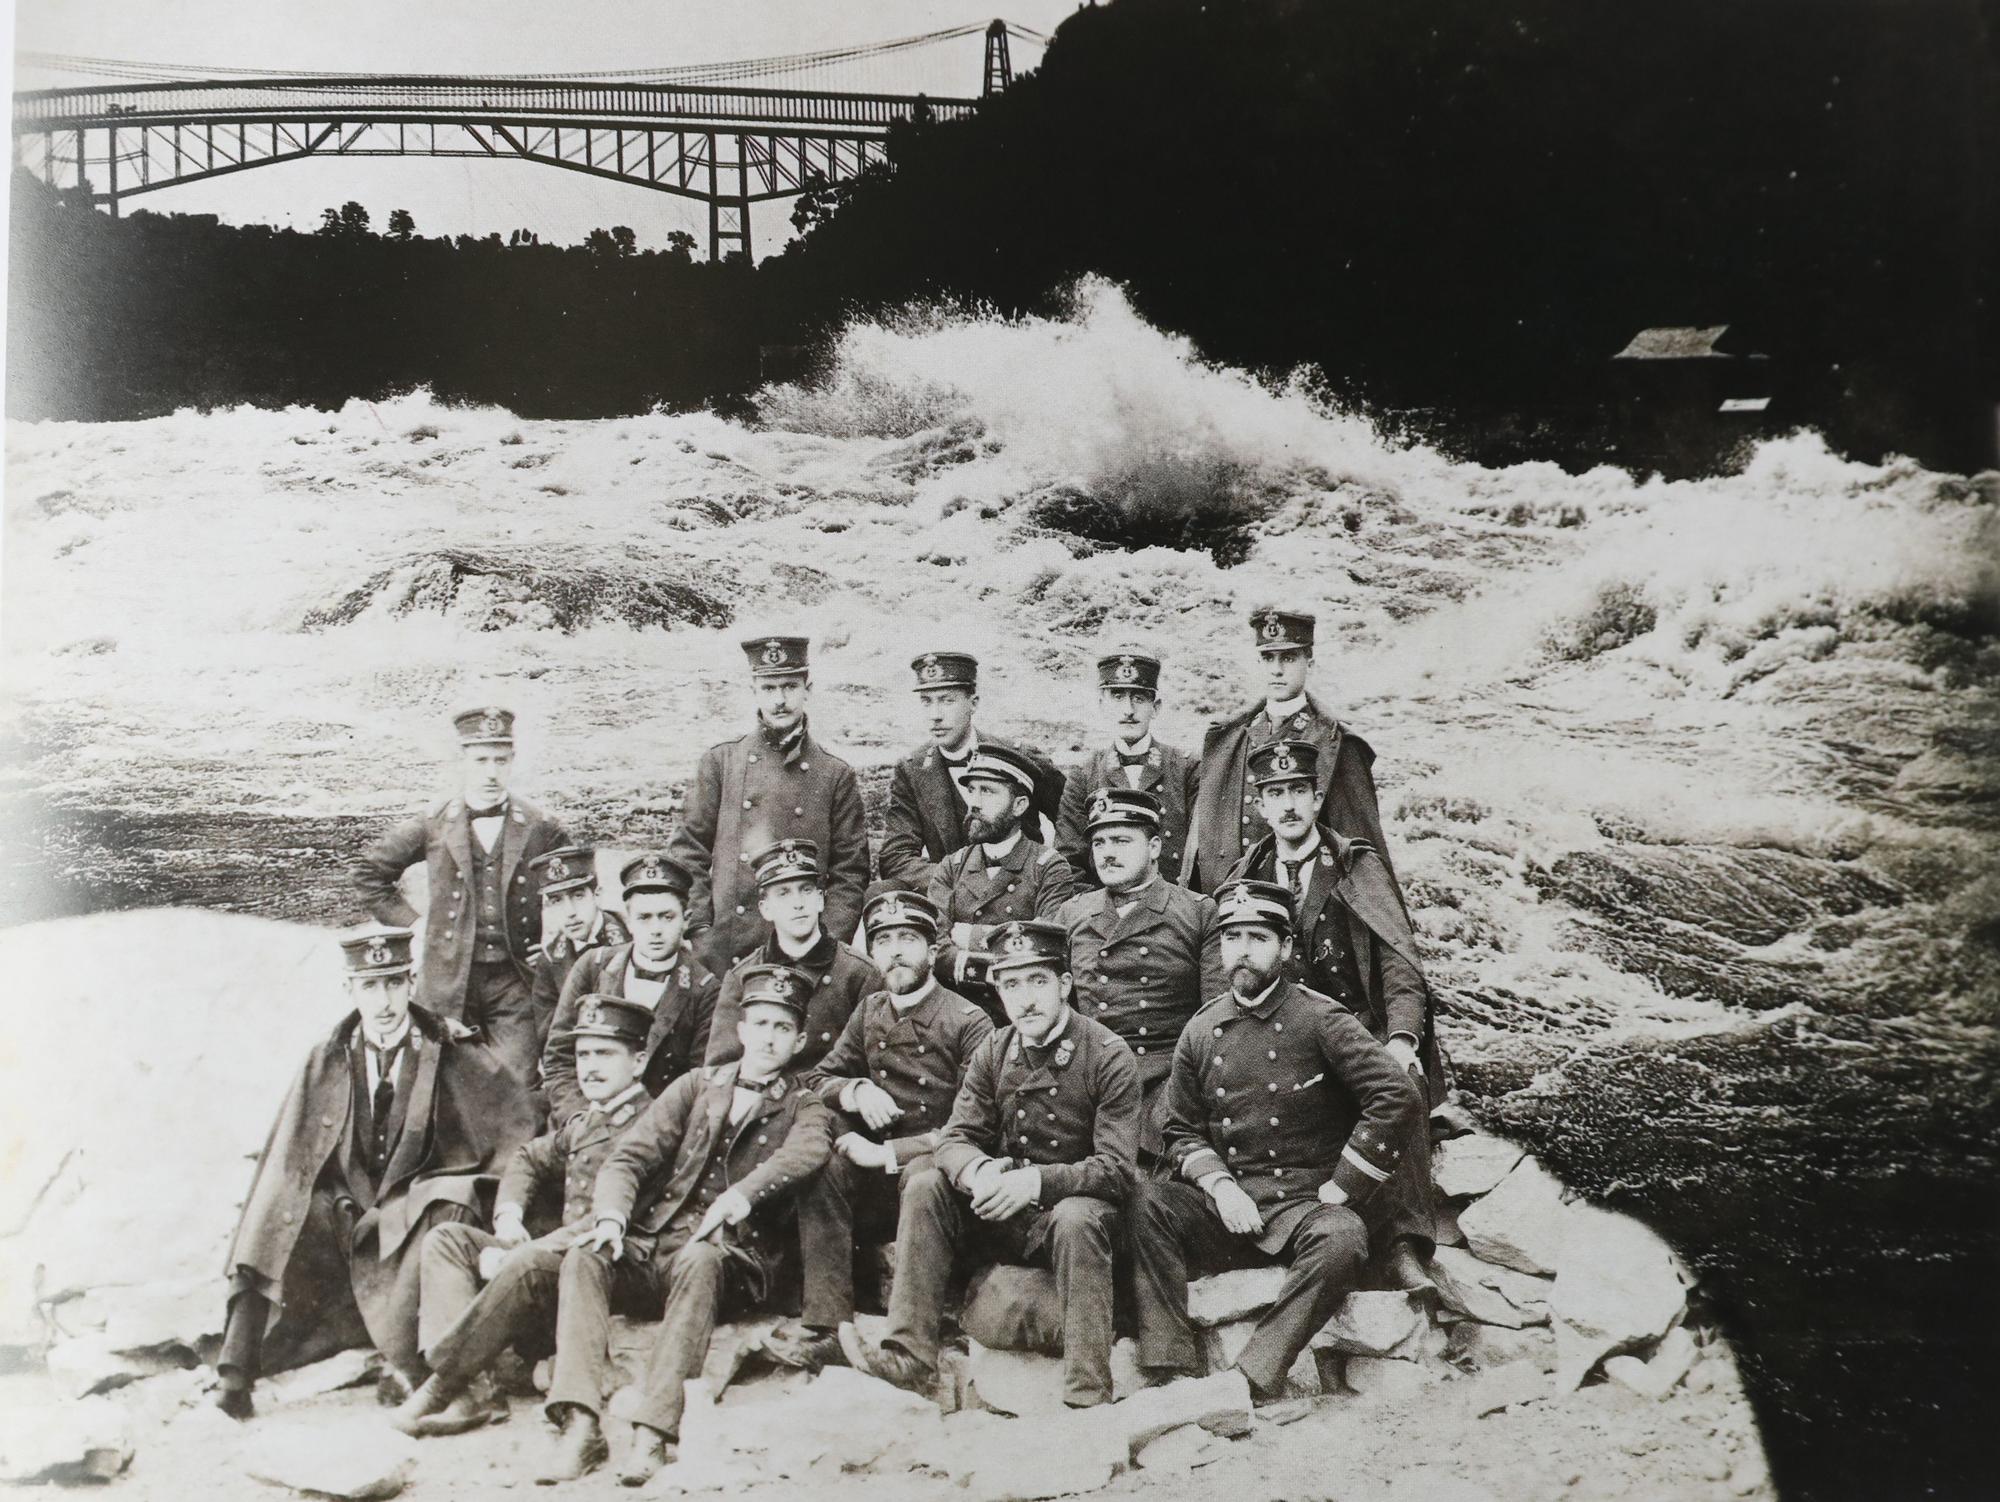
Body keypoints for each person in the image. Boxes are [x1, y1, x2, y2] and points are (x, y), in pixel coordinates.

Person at [212, 928, 534, 1420]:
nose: (383, 1002)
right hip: (347, 1201)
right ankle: (237, 1368)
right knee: (281, 1205)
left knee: (441, 1206)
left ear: (411, 983)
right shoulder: (327, 1057)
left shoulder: (449, 1048)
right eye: (370, 987)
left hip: (411, 1198)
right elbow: (290, 1153)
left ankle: (425, 1368)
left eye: (392, 984)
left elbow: (509, 1130)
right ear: (350, 991)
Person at [1127, 881, 1422, 1402]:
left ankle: (1254, 1375)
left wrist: (1344, 1186)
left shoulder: (1321, 1017)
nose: (1242, 949)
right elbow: (1180, 1126)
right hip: (1234, 1202)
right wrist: (1218, 1187)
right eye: (1232, 937)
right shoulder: (1202, 1028)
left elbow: (1395, 1097)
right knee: (1147, 1202)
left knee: (1343, 1240)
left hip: (1307, 1202)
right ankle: (1168, 1363)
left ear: (1285, 948)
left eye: (1258, 937)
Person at [548, 965, 835, 1486]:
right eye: (760, 1023)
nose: (769, 1037)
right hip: (659, 1243)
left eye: (782, 1027)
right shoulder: (697, 1085)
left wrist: (740, 1196)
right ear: (741, 1028)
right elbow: (629, 1159)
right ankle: (581, 1424)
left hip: (733, 1262)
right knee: (585, 1253)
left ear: (797, 1041)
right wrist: (612, 1218)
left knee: (701, 1257)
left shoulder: (803, 1103)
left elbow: (811, 1149)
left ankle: (653, 1433)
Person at [840, 920, 1140, 1410]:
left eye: (1038, 981)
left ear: (1064, 985)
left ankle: (1087, 1395)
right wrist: (977, 1171)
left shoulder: (1106, 1054)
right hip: (1005, 1214)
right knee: (926, 1181)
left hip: (1074, 1225)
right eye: (1011, 984)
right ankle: (909, 1357)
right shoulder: (996, 1049)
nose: (1025, 1000)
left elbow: (1117, 1170)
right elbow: (956, 1137)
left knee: (1077, 1217)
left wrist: (1035, 1181)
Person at [1224, 739, 1445, 1289]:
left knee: (1398, 1091)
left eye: (1298, 791)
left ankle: (1404, 1246)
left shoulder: (1355, 865)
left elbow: (1399, 965)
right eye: (1276, 795)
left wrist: (1401, 1040)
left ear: (1319, 796)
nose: (1289, 805)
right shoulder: (1250, 872)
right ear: (1261, 806)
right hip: (1284, 1027)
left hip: (1357, 1027)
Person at [389, 995, 656, 1439]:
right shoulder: (588, 1120)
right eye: (583, 1054)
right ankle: (474, 1392)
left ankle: (442, 1383)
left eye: (605, 1054)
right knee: (448, 1239)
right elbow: (530, 1157)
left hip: (612, 1270)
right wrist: (509, 1220)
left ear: (639, 1061)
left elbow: (610, 1217)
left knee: (526, 1264)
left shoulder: (651, 1124)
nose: (590, 1067)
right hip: (560, 1262)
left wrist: (524, 1251)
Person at [764, 887, 995, 1369]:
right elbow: (820, 1077)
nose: (895, 951)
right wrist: (855, 1092)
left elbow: (978, 1128)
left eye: (908, 938)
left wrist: (888, 1154)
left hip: (947, 1188)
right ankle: (826, 1324)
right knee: (824, 1164)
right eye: (884, 940)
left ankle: (909, 1352)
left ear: (933, 951)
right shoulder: (871, 1011)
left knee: (924, 1179)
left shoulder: (969, 1020)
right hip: (884, 1189)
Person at [352, 706, 571, 1085]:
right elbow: (369, 874)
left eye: (500, 760)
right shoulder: (435, 822)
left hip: (514, 979)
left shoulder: (538, 826)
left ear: (512, 760)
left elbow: (574, 881)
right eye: (481, 759)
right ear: (462, 760)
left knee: (515, 1083)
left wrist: (558, 932)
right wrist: (415, 926)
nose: (491, 772)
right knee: (436, 1080)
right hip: (448, 976)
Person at [669, 634, 871, 972]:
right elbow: (689, 852)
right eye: (769, 688)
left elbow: (850, 872)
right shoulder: (721, 763)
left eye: (790, 686)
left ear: (808, 689)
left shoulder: (835, 775)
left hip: (804, 952)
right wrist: (700, 930)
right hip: (725, 951)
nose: (780, 700)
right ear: (754, 691)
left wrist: (825, 945)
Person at [1051, 787, 1223, 1157]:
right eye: (1099, 843)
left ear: (1156, 848)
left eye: (1122, 841)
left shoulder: (1197, 912)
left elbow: (1216, 1020)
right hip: (1091, 1078)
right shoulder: (1072, 914)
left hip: (1168, 1082)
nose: (1108, 853)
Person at [1182, 611, 1393, 894]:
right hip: (1233, 906)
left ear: (1310, 663)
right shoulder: (1229, 738)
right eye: (1268, 658)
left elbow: (1363, 848)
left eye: (1289, 658)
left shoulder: (1338, 745)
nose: (1277, 670)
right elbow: (1202, 849)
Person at [542, 853, 720, 1126]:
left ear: (686, 920)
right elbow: (559, 1058)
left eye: (666, 917)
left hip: (659, 1129)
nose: (656, 930)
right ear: (629, 919)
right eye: (645, 917)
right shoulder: (593, 966)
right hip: (585, 1121)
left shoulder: (704, 989)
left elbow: (698, 1080)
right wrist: (577, 1119)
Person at [879, 651, 1065, 887]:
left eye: (947, 700)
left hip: (1019, 894)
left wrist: (1050, 873)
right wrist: (959, 880)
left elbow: (1072, 823)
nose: (935, 715)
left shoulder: (1019, 756)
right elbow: (896, 857)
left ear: (973, 703)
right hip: (952, 894)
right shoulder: (913, 769)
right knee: (882, 891)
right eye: (927, 701)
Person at [925, 743, 1080, 1018]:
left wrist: (966, 935)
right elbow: (932, 943)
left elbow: (1042, 949)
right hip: (957, 1013)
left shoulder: (1049, 868)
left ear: (1020, 805)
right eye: (971, 790)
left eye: (988, 791)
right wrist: (993, 951)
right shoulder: (952, 866)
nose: (974, 802)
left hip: (1020, 1015)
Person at [704, 838, 883, 1075]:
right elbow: (719, 1070)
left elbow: (879, 1065)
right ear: (765, 908)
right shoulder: (742, 978)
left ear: (820, 899)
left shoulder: (860, 974)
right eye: (784, 893)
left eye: (806, 890)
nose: (798, 904)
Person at [1054, 650, 1200, 888]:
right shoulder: (1084, 775)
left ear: (1156, 707)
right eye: (1118, 696)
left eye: (1140, 698)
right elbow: (1070, 863)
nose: (1129, 710)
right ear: (1102, 705)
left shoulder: (1186, 768)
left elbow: (1201, 856)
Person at [526, 846, 630, 1061]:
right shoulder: (550, 959)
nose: (570, 911)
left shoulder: (630, 939)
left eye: (578, 896)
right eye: (557, 901)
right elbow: (549, 1034)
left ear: (597, 895)